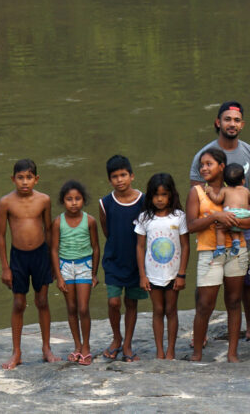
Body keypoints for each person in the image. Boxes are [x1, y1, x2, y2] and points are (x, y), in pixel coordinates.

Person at [189, 101, 250, 342]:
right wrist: (215, 218)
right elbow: (196, 196)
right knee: (207, 281)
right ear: (218, 122)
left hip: (243, 224)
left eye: (236, 120)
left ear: (242, 124)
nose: (232, 124)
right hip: (214, 229)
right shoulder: (204, 156)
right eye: (227, 119)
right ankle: (201, 332)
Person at [187, 148, 250, 362]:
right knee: (205, 303)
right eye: (201, 165)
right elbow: (191, 225)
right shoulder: (198, 192)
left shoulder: (238, 189)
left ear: (222, 166)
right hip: (209, 251)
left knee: (234, 300)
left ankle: (232, 353)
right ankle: (197, 352)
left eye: (208, 164)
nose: (203, 168)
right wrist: (216, 216)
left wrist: (233, 221)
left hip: (237, 250)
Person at [0, 159, 60, 369]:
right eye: (20, 177)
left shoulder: (44, 200)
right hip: (18, 257)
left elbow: (49, 230)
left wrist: (53, 261)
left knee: (42, 301)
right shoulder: (6, 202)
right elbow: (0, 235)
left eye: (29, 177)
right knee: (18, 303)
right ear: (13, 179)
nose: (25, 182)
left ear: (36, 179)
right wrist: (5, 267)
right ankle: (17, 352)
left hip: (40, 255)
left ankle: (46, 348)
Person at [135, 173, 189, 360]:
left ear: (171, 195)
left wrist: (182, 274)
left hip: (173, 274)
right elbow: (140, 246)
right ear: (150, 196)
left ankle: (171, 350)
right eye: (156, 195)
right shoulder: (145, 218)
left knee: (171, 310)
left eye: (164, 194)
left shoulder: (178, 217)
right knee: (158, 310)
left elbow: (186, 245)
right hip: (152, 274)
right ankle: (159, 350)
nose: (160, 199)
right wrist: (142, 275)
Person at [99, 155, 147, 362]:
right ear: (110, 180)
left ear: (132, 176)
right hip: (114, 260)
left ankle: (127, 343)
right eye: (115, 176)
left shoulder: (144, 200)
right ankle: (116, 338)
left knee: (131, 302)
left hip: (136, 262)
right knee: (113, 301)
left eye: (123, 175)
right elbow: (106, 231)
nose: (120, 180)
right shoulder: (105, 203)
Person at [50, 180, 100, 366]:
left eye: (77, 199)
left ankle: (86, 345)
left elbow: (96, 247)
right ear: (63, 201)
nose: (73, 203)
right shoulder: (58, 222)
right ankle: (77, 345)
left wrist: (94, 273)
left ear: (83, 200)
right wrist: (59, 276)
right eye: (69, 199)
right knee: (71, 308)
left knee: (83, 308)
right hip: (65, 267)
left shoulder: (90, 221)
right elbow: (54, 249)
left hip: (84, 265)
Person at [205, 163, 250, 258]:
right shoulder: (246, 190)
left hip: (231, 215)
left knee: (220, 229)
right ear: (243, 180)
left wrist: (210, 192)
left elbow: (217, 200)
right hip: (244, 215)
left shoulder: (225, 190)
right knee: (234, 229)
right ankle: (236, 242)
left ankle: (220, 248)